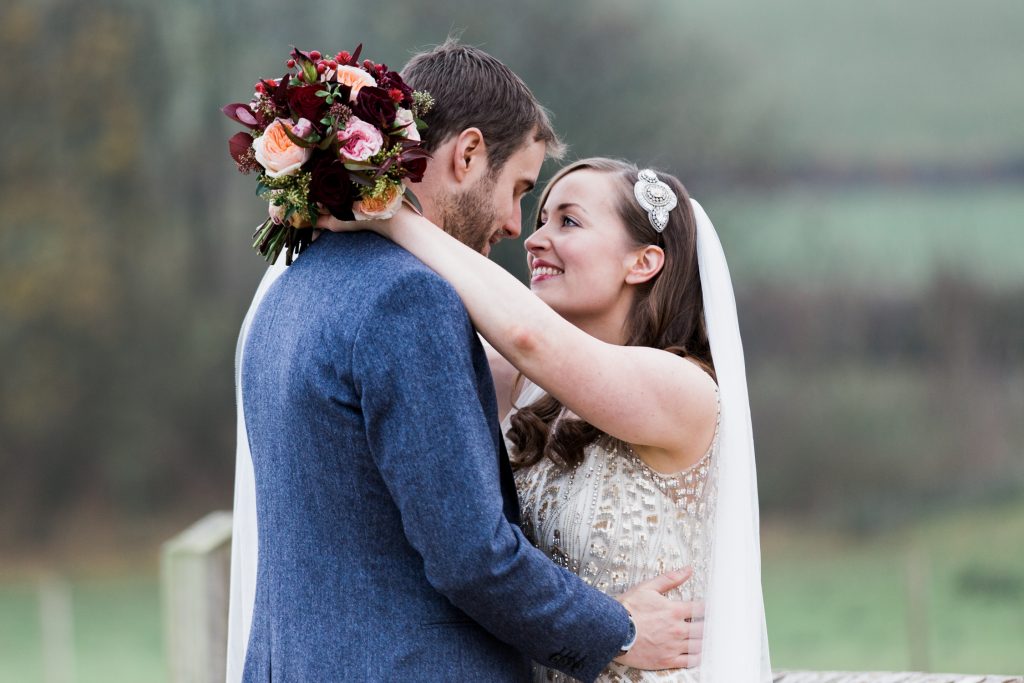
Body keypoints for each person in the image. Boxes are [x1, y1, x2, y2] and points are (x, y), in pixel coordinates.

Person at [227, 41, 702, 682]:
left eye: (565, 218)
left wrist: (375, 205)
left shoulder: (287, 293)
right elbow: (471, 555)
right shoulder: (409, 300)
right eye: (520, 192)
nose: (516, 226)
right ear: (469, 153)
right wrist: (619, 632)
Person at [318, 157, 773, 681]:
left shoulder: (685, 391)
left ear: (644, 262)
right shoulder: (524, 384)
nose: (533, 240)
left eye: (569, 222)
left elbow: (526, 334)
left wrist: (388, 214)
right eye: (540, 222)